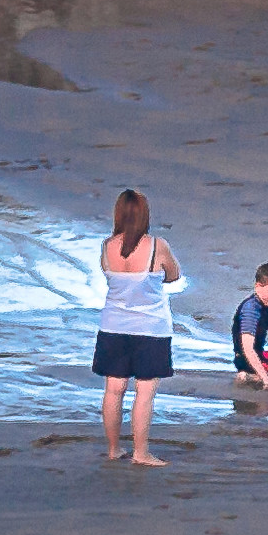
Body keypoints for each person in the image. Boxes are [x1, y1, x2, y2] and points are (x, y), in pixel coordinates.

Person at [93, 188, 182, 467]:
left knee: (113, 389)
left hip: (113, 326)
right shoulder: (158, 245)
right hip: (151, 329)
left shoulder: (106, 246)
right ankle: (141, 453)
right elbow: (174, 275)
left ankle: (113, 448)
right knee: (144, 393)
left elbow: (111, 278)